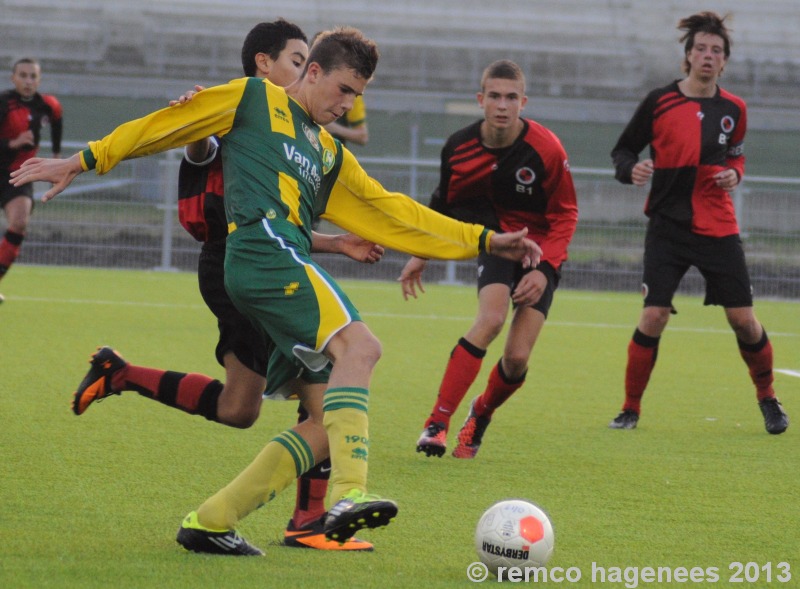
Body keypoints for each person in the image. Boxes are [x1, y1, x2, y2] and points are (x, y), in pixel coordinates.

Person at [11, 27, 541, 552]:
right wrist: (82, 161)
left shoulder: (328, 151)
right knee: (363, 347)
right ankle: (349, 493)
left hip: (276, 259)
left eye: (358, 95)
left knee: (319, 419)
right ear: (312, 71)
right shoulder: (254, 98)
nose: (349, 104)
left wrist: (486, 241)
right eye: (343, 90)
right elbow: (166, 125)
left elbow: (391, 210)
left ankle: (212, 521)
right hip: (263, 251)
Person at [70, 20, 379, 552]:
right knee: (331, 381)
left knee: (242, 408)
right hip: (241, 263)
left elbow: (281, 213)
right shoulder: (236, 109)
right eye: (297, 59)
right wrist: (190, 124)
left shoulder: (293, 132)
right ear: (264, 63)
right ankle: (308, 520)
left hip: (268, 256)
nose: (306, 70)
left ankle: (122, 376)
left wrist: (333, 243)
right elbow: (199, 147)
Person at [607, 11, 789, 435]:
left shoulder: (734, 108)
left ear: (725, 62)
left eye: (717, 51)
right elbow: (623, 150)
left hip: (718, 227)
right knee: (653, 316)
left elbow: (737, 155)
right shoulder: (659, 101)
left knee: (743, 320)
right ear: (687, 56)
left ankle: (768, 399)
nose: (708, 56)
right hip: (668, 227)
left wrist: (735, 174)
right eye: (701, 49)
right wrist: (629, 170)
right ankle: (629, 409)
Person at [402, 60, 578, 459]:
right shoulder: (458, 147)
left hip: (541, 250)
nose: (503, 105)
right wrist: (420, 254)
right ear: (480, 100)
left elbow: (565, 213)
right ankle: (437, 423)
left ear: (523, 102)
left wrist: (547, 269)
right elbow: (442, 207)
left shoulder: (546, 149)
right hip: (497, 244)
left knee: (516, 360)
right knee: (492, 318)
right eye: (495, 96)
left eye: (511, 97)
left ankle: (480, 413)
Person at [0, 57, 62, 303]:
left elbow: (57, 124)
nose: (28, 81)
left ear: (39, 79)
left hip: (18, 174)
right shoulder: (4, 103)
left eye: (32, 76)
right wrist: (12, 143)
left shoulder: (48, 105)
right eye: (23, 75)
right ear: (13, 78)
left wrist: (58, 160)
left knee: (19, 223)